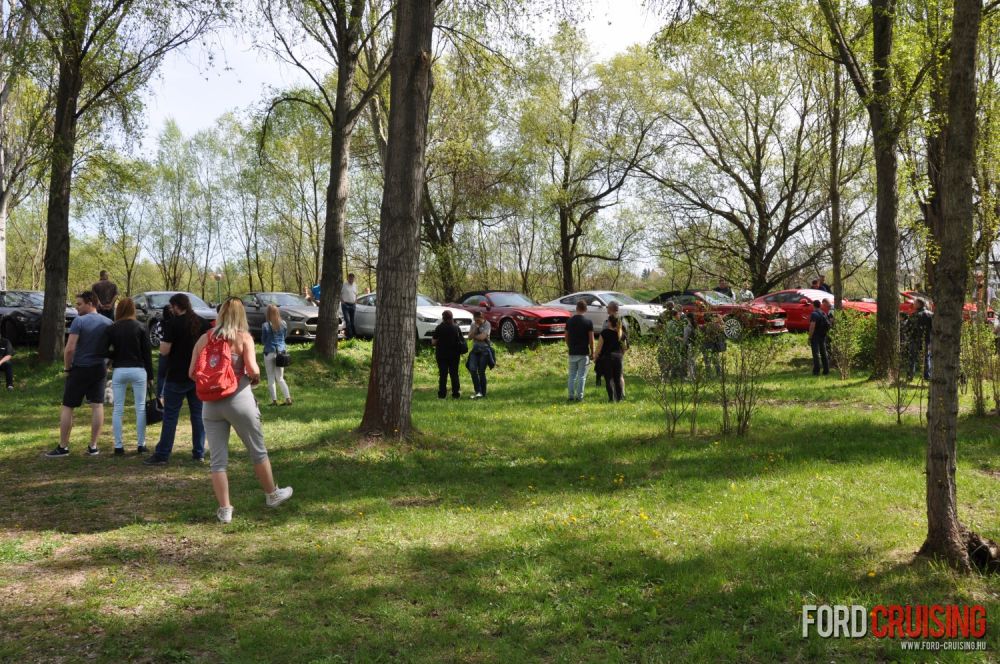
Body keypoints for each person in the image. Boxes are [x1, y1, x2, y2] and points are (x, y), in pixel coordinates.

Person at [189, 298, 293, 524]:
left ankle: (225, 509)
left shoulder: (204, 339)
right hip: (239, 400)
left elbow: (191, 372)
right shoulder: (243, 337)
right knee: (257, 450)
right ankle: (272, 495)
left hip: (210, 406)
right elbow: (253, 369)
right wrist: (251, 377)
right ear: (240, 315)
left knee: (217, 460)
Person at [145, 293, 211, 466]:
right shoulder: (202, 323)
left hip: (176, 376)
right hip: (197, 375)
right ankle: (199, 452)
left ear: (175, 307)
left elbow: (164, 351)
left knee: (170, 417)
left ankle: (163, 454)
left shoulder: (173, 324)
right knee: (198, 416)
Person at [46, 291, 112, 457]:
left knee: (68, 406)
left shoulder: (79, 321)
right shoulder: (109, 322)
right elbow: (113, 348)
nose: (76, 308)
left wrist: (67, 368)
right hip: (99, 369)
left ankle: (63, 447)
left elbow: (69, 349)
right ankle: (93, 446)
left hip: (80, 368)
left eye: (79, 304)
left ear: (90, 303)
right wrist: (108, 365)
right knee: (97, 405)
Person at [106, 298, 154, 455]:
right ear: (133, 310)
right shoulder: (141, 326)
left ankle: (118, 446)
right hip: (138, 369)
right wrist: (151, 375)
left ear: (118, 310)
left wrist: (114, 355)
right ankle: (141, 444)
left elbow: (103, 349)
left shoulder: (112, 328)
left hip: (119, 369)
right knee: (140, 408)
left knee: (117, 409)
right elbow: (147, 353)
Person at [261, 304, 292, 406]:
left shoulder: (265, 325)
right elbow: (284, 336)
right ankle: (288, 398)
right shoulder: (283, 323)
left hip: (269, 352)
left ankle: (274, 401)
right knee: (280, 378)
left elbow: (263, 340)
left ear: (268, 313)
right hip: (281, 353)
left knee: (270, 377)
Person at [565, 300, 595, 402]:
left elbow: (566, 337)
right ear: (586, 309)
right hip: (583, 353)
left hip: (572, 352)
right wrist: (592, 352)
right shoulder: (588, 322)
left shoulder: (569, 321)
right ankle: (580, 397)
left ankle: (570, 396)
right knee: (582, 376)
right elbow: (591, 340)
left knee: (572, 376)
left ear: (576, 308)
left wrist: (570, 346)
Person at [432, 310, 464, 399]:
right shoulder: (456, 328)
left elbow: (433, 342)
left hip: (441, 355)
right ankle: (456, 394)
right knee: (454, 374)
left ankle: (442, 394)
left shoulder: (439, 328)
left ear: (443, 318)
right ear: (452, 317)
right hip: (454, 355)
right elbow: (461, 340)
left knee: (443, 374)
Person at [596, 312, 626, 402]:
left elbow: (599, 347)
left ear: (609, 322)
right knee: (617, 379)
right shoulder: (622, 334)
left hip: (607, 358)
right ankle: (619, 399)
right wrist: (620, 355)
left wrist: (595, 356)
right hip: (618, 358)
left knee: (608, 379)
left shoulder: (604, 333)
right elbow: (624, 348)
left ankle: (611, 398)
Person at [467, 310, 492, 399]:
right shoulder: (473, 324)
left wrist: (475, 336)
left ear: (483, 318)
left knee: (481, 372)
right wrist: (475, 329)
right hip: (475, 350)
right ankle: (478, 391)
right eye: (475, 320)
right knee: (472, 369)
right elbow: (469, 337)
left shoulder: (487, 324)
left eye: (478, 320)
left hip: (484, 350)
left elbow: (482, 337)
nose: (477, 322)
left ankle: (483, 392)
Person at [907, 298, 933, 380]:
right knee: (926, 358)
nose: (913, 304)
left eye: (915, 303)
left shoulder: (914, 315)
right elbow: (934, 328)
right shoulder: (931, 314)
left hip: (915, 339)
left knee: (912, 357)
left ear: (919, 304)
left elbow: (908, 327)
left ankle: (910, 376)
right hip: (927, 339)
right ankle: (927, 376)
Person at [808, 299, 830, 376]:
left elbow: (812, 326)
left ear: (813, 305)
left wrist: (810, 337)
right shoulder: (823, 313)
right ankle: (826, 370)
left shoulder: (814, 314)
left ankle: (816, 371)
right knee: (824, 353)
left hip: (815, 336)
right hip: (823, 335)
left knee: (816, 354)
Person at [701, 312, 726, 377]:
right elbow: (724, 328)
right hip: (712, 344)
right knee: (716, 360)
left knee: (707, 361)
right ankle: (718, 374)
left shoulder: (704, 325)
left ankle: (708, 375)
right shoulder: (713, 325)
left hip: (705, 344)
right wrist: (720, 319)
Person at [341, 273, 358, 339]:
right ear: (348, 278)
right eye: (350, 278)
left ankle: (353, 335)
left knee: (352, 322)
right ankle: (349, 336)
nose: (351, 279)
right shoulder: (344, 285)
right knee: (347, 321)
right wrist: (342, 302)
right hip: (345, 305)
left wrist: (355, 302)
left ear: (354, 278)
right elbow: (340, 294)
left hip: (353, 305)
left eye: (352, 278)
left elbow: (356, 294)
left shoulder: (355, 285)